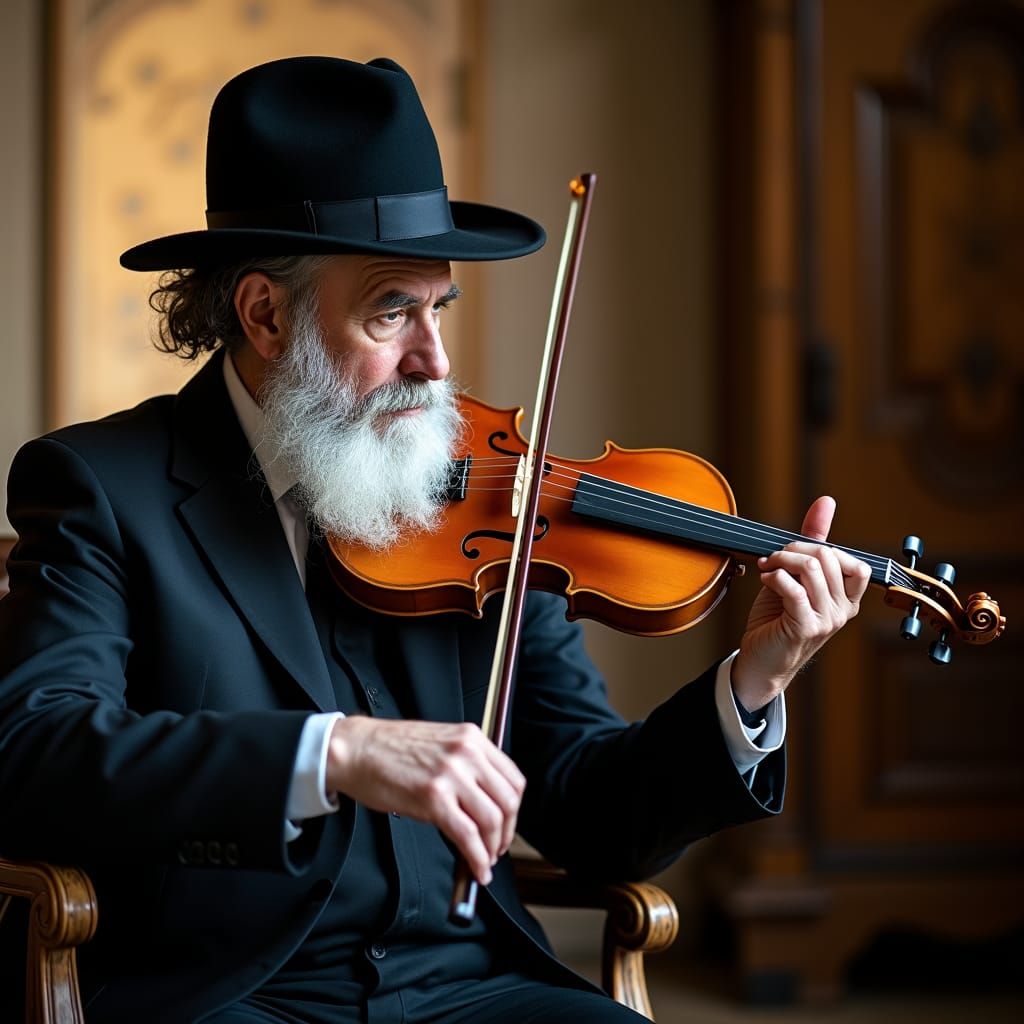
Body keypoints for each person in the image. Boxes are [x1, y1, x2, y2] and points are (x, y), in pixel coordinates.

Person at [0, 56, 870, 1023]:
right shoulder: (101, 487)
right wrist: (333, 752)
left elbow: (596, 814)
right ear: (265, 314)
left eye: (439, 307)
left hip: (469, 984)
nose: (436, 360)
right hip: (232, 992)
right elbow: (35, 752)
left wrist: (755, 681)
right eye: (391, 311)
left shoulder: (480, 507)